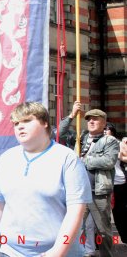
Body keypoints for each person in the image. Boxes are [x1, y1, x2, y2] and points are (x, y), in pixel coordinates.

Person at [0, 102, 92, 257]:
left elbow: (76, 211)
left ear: (45, 122)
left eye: (27, 121)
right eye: (16, 123)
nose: (20, 126)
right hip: (10, 252)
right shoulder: (7, 158)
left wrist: (57, 252)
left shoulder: (67, 158)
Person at [61, 105, 119, 257]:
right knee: (75, 229)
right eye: (89, 119)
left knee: (103, 231)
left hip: (97, 192)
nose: (91, 121)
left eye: (95, 119)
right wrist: (72, 115)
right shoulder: (81, 137)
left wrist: (84, 161)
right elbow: (60, 133)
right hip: (79, 192)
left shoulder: (110, 141)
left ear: (104, 123)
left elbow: (108, 161)